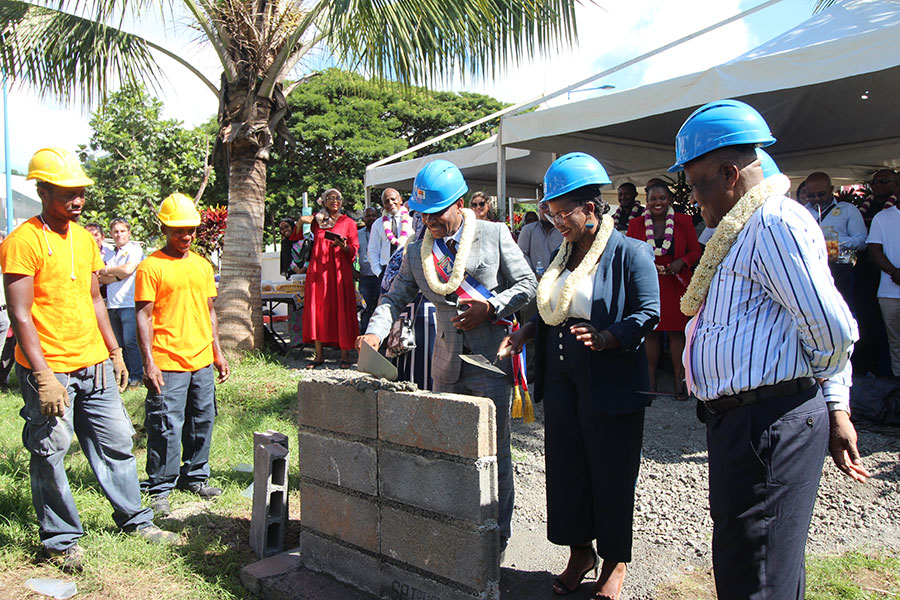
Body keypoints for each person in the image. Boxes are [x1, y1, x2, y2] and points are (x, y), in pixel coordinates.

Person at [670, 100, 868, 600]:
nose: (693, 198)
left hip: (769, 421)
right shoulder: (740, 229)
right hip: (746, 421)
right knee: (757, 565)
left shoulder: (774, 221)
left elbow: (832, 330)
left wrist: (813, 396)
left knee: (757, 576)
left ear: (730, 174)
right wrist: (830, 401)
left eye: (696, 183)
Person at [0, 147, 174, 572]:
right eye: (66, 193)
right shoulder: (21, 242)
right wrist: (42, 376)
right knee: (50, 450)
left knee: (116, 443)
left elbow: (95, 298)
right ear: (42, 191)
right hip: (51, 367)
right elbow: (19, 313)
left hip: (93, 363)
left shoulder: (83, 239)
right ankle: (61, 540)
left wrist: (113, 350)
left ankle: (136, 519)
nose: (77, 201)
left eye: (80, 193)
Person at [502, 152, 658, 600]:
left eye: (562, 212)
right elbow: (552, 309)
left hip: (610, 376)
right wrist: (529, 330)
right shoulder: (559, 253)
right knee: (568, 470)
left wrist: (608, 337)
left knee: (611, 470)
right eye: (550, 213)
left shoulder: (631, 252)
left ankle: (615, 560)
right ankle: (580, 553)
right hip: (563, 377)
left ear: (591, 208)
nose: (556, 222)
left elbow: (649, 312)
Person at [358, 159, 536, 551]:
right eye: (422, 215)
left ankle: (497, 537)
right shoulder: (415, 249)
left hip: (492, 362)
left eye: (436, 214)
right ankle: (459, 530)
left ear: (459, 204)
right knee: (450, 451)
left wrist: (491, 307)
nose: (429, 223)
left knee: (496, 454)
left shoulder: (494, 234)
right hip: (445, 365)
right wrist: (373, 332)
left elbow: (528, 284)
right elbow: (393, 297)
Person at [135, 193, 230, 517]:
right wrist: (148, 362)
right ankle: (160, 487)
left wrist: (217, 352)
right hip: (167, 361)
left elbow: (210, 313)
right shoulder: (150, 267)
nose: (186, 236)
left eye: (190, 230)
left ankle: (195, 477)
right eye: (178, 230)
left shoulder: (203, 266)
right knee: (165, 425)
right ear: (164, 228)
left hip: (201, 359)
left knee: (203, 420)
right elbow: (143, 316)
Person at [626, 181, 700, 396]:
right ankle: (651, 383)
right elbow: (630, 253)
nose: (658, 202)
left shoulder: (683, 221)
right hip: (649, 284)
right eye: (653, 199)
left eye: (662, 198)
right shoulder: (637, 224)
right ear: (646, 201)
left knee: (677, 334)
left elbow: (695, 251)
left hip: (676, 283)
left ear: (669, 200)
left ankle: (680, 382)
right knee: (650, 332)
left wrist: (682, 261)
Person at [300, 188, 359, 368]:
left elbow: (354, 248)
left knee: (342, 308)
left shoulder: (348, 222)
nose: (335, 201)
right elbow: (296, 235)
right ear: (324, 201)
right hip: (318, 271)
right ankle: (318, 355)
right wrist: (300, 221)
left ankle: (344, 355)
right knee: (317, 309)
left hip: (340, 271)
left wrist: (344, 247)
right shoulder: (316, 222)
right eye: (330, 198)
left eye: (338, 198)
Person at [803, 171, 867, 312]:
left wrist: (836, 242)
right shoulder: (800, 212)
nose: (817, 199)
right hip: (810, 269)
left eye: (821, 194)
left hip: (839, 269)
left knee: (843, 310)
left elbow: (862, 241)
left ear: (831, 189)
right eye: (811, 196)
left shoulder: (848, 210)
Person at [98, 218, 144, 387]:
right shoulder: (109, 253)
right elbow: (98, 278)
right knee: (118, 345)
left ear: (129, 232)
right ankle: (122, 377)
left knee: (131, 342)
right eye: (116, 231)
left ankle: (136, 377)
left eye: (122, 231)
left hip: (129, 304)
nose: (119, 234)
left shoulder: (134, 249)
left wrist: (108, 272)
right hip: (112, 305)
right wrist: (117, 275)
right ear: (111, 234)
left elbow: (128, 269)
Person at [867, 200, 900, 378]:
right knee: (895, 343)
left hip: (891, 288)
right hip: (890, 293)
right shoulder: (882, 217)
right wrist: (893, 272)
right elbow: (874, 251)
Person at [367, 188, 409, 278]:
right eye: (386, 201)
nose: (390, 203)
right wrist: (379, 272)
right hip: (386, 270)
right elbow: (372, 250)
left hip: (407, 269)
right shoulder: (378, 224)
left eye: (393, 199)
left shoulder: (411, 220)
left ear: (400, 200)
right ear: (383, 205)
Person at [517, 200, 563, 275]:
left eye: (551, 206)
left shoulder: (564, 230)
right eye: (544, 206)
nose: (548, 210)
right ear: (539, 210)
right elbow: (522, 254)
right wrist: (532, 275)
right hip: (535, 279)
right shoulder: (528, 230)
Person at [357, 206, 380, 332]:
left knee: (381, 308)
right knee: (365, 308)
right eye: (368, 216)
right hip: (365, 277)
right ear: (363, 219)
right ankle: (365, 338)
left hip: (380, 277)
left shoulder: (383, 231)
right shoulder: (358, 234)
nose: (371, 218)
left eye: (373, 215)